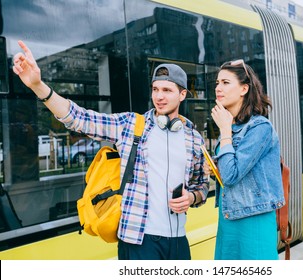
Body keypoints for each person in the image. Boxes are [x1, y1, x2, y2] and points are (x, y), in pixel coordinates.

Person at [12, 40, 209, 260]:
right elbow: (78, 118)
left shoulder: (193, 137)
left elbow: (201, 185)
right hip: (138, 241)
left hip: (178, 242)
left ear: (182, 95)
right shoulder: (131, 125)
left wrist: (191, 198)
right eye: (155, 89)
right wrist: (38, 86)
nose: (159, 96)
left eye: (167, 90)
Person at [204, 59, 284, 260]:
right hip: (229, 216)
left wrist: (223, 130)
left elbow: (232, 175)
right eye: (217, 83)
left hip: (253, 219)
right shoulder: (232, 127)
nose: (218, 88)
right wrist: (215, 168)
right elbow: (230, 173)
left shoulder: (260, 128)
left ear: (244, 89)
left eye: (225, 82)